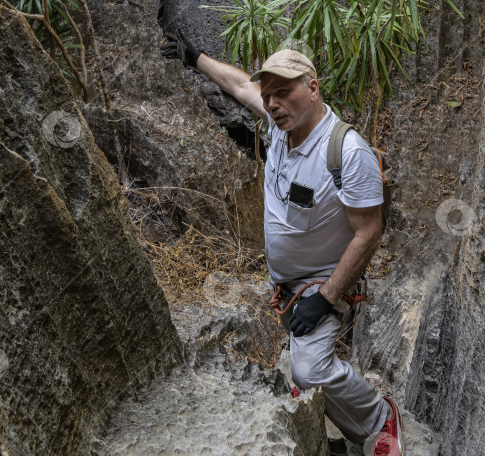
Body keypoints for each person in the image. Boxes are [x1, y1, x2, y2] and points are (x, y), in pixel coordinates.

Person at [160, 32, 404, 456]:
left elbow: (369, 232)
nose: (272, 103)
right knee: (302, 369)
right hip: (289, 288)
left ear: (312, 88)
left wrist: (325, 299)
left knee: (309, 369)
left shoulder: (345, 151)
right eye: (269, 95)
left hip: (321, 284)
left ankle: (381, 419)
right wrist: (194, 55)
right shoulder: (281, 127)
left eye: (284, 92)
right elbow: (238, 85)